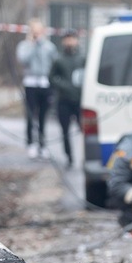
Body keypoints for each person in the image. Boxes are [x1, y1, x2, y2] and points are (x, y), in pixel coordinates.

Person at [16, 18, 58, 160]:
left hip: (44, 83)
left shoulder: (49, 46)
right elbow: (23, 59)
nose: (37, 34)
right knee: (30, 115)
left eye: (39, 31)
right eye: (35, 31)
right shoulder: (25, 45)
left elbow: (54, 63)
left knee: (42, 116)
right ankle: (31, 143)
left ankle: (42, 144)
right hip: (30, 83)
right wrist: (34, 46)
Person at [49, 31, 86, 169]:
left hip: (80, 100)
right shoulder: (58, 59)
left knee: (84, 131)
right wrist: (64, 86)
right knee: (65, 131)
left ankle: (85, 157)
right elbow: (51, 78)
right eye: (67, 39)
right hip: (63, 100)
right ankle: (69, 157)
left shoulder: (82, 58)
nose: (70, 42)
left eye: (72, 39)